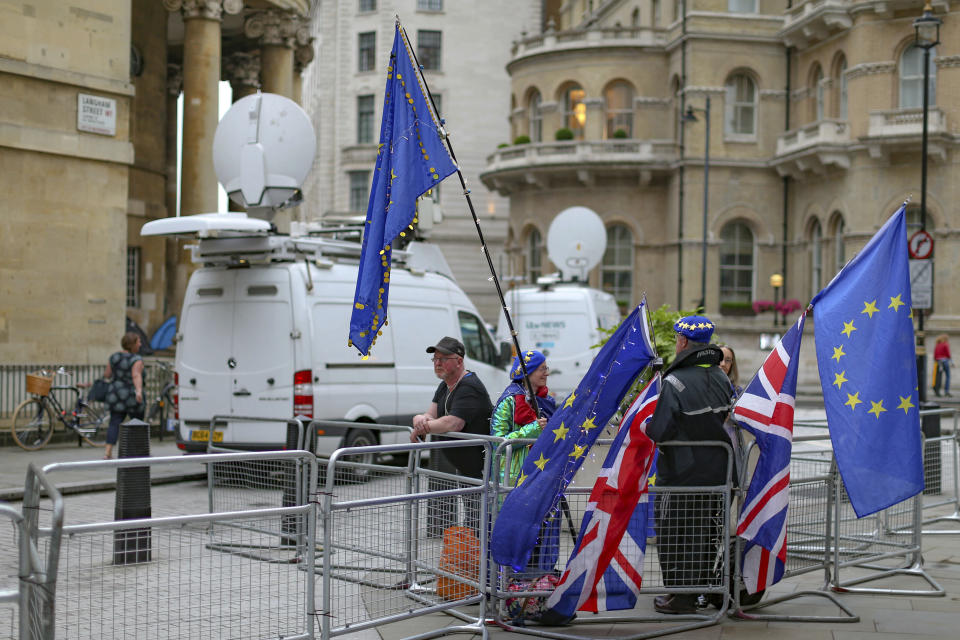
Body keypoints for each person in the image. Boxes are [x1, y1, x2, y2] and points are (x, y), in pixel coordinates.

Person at [646, 315, 735, 615]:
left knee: (673, 534)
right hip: (716, 472)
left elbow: (659, 430)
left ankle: (679, 597)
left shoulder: (674, 382)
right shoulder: (722, 378)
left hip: (680, 474)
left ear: (683, 342)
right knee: (703, 534)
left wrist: (645, 423)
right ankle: (697, 591)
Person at [412, 336, 493, 533]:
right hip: (465, 468)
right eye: (435, 359)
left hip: (481, 469)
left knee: (480, 520)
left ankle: (484, 561)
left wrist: (424, 427)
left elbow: (454, 423)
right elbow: (430, 414)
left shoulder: (469, 386)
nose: (437, 363)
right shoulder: (444, 384)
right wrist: (419, 420)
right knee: (473, 520)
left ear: (459, 361)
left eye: (443, 359)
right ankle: (475, 559)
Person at [490, 350, 556, 485]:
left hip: (542, 474)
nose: (547, 373)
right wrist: (533, 430)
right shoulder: (508, 401)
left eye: (546, 368)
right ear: (528, 372)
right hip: (512, 479)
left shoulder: (546, 400)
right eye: (542, 369)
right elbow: (498, 442)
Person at [103, 332, 145, 460]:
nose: (140, 344)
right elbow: (136, 375)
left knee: (114, 422)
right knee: (137, 423)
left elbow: (107, 374)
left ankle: (108, 452)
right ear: (132, 344)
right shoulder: (136, 359)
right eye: (138, 342)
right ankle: (137, 452)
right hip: (131, 395)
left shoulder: (114, 357)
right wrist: (139, 391)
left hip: (115, 395)